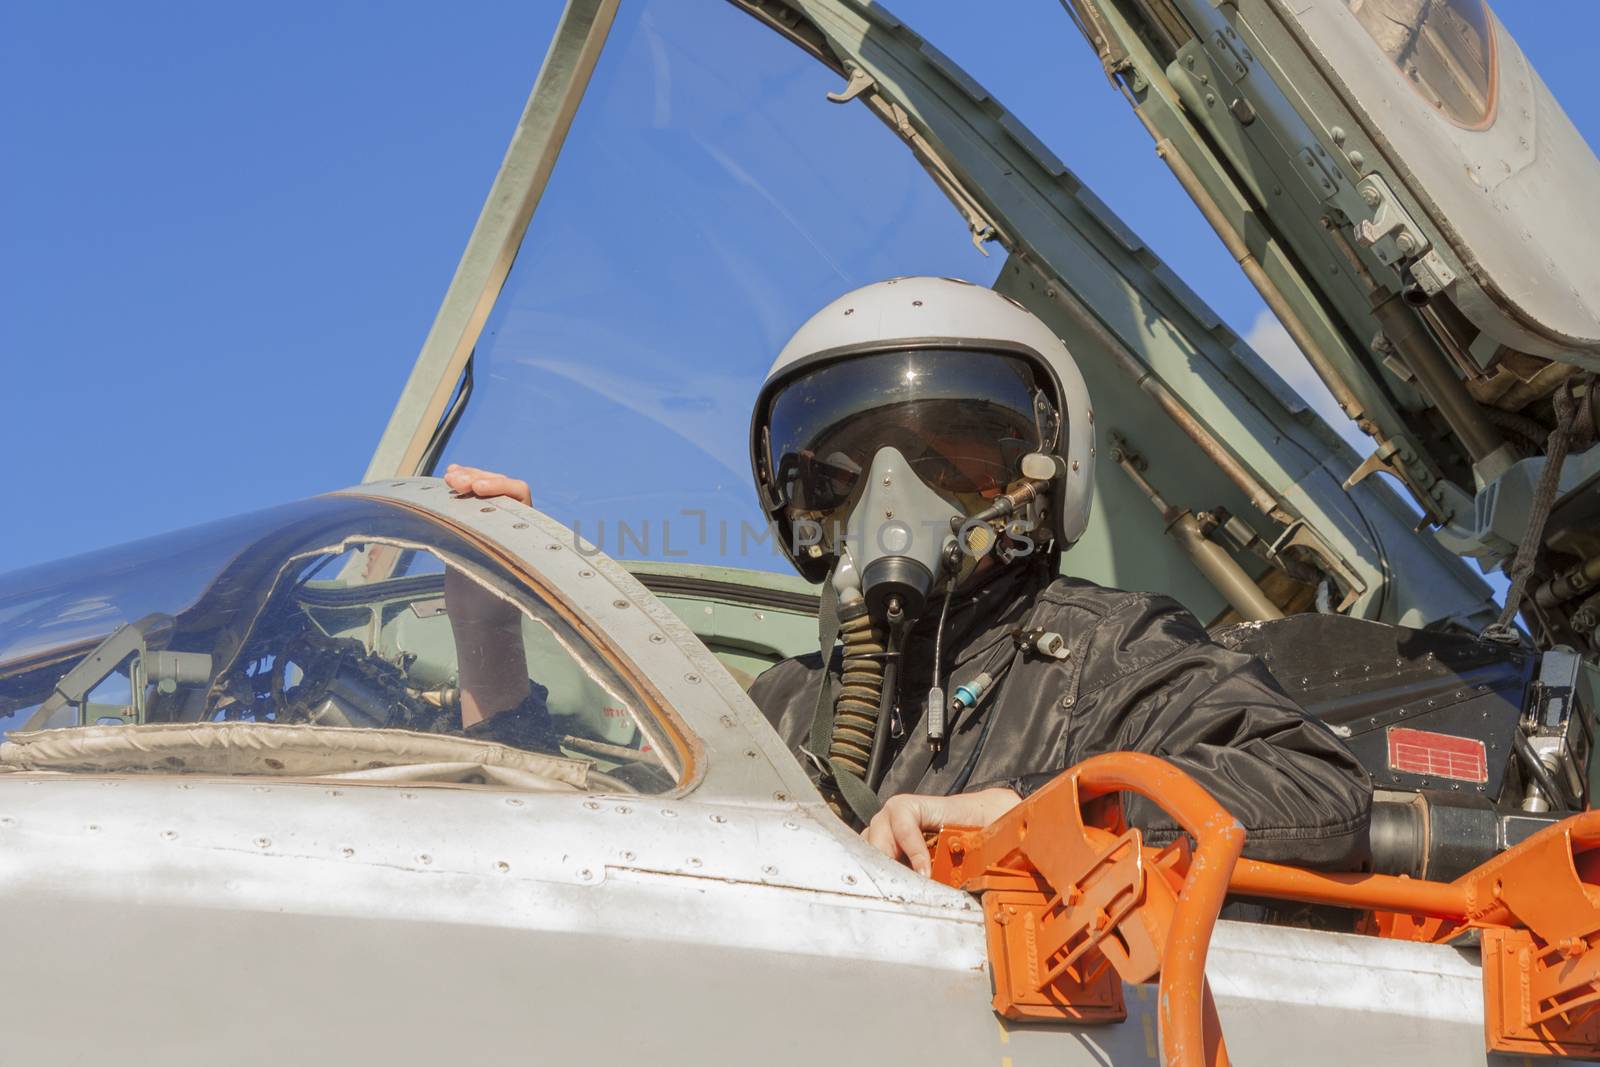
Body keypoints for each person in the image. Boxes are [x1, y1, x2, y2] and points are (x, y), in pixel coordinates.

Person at [446, 276, 1372, 876]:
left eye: (950, 462)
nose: (895, 499)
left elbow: (1314, 787)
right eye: (847, 475)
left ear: (1043, 470)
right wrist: (490, 625)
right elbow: (573, 844)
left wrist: (1033, 816)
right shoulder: (781, 704)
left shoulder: (1107, 651)